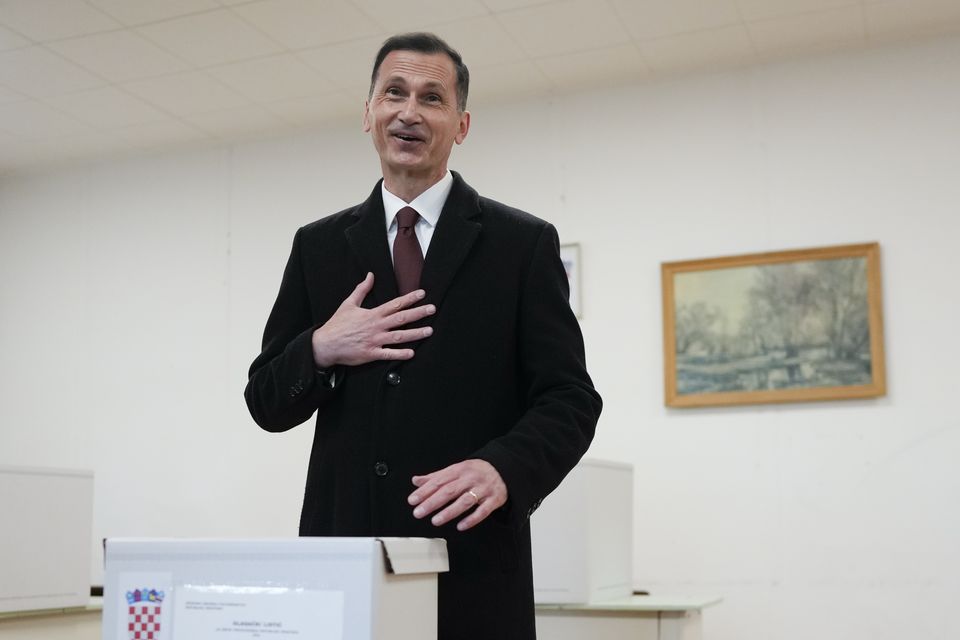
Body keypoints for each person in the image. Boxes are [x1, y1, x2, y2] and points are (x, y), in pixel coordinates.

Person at [245, 32, 601, 640]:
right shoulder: (318, 246)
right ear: (368, 114)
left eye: (432, 98)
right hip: (345, 562)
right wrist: (321, 347)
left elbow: (570, 399)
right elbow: (265, 402)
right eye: (394, 93)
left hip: (471, 562)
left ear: (460, 125)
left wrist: (504, 469)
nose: (409, 111)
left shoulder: (522, 244)